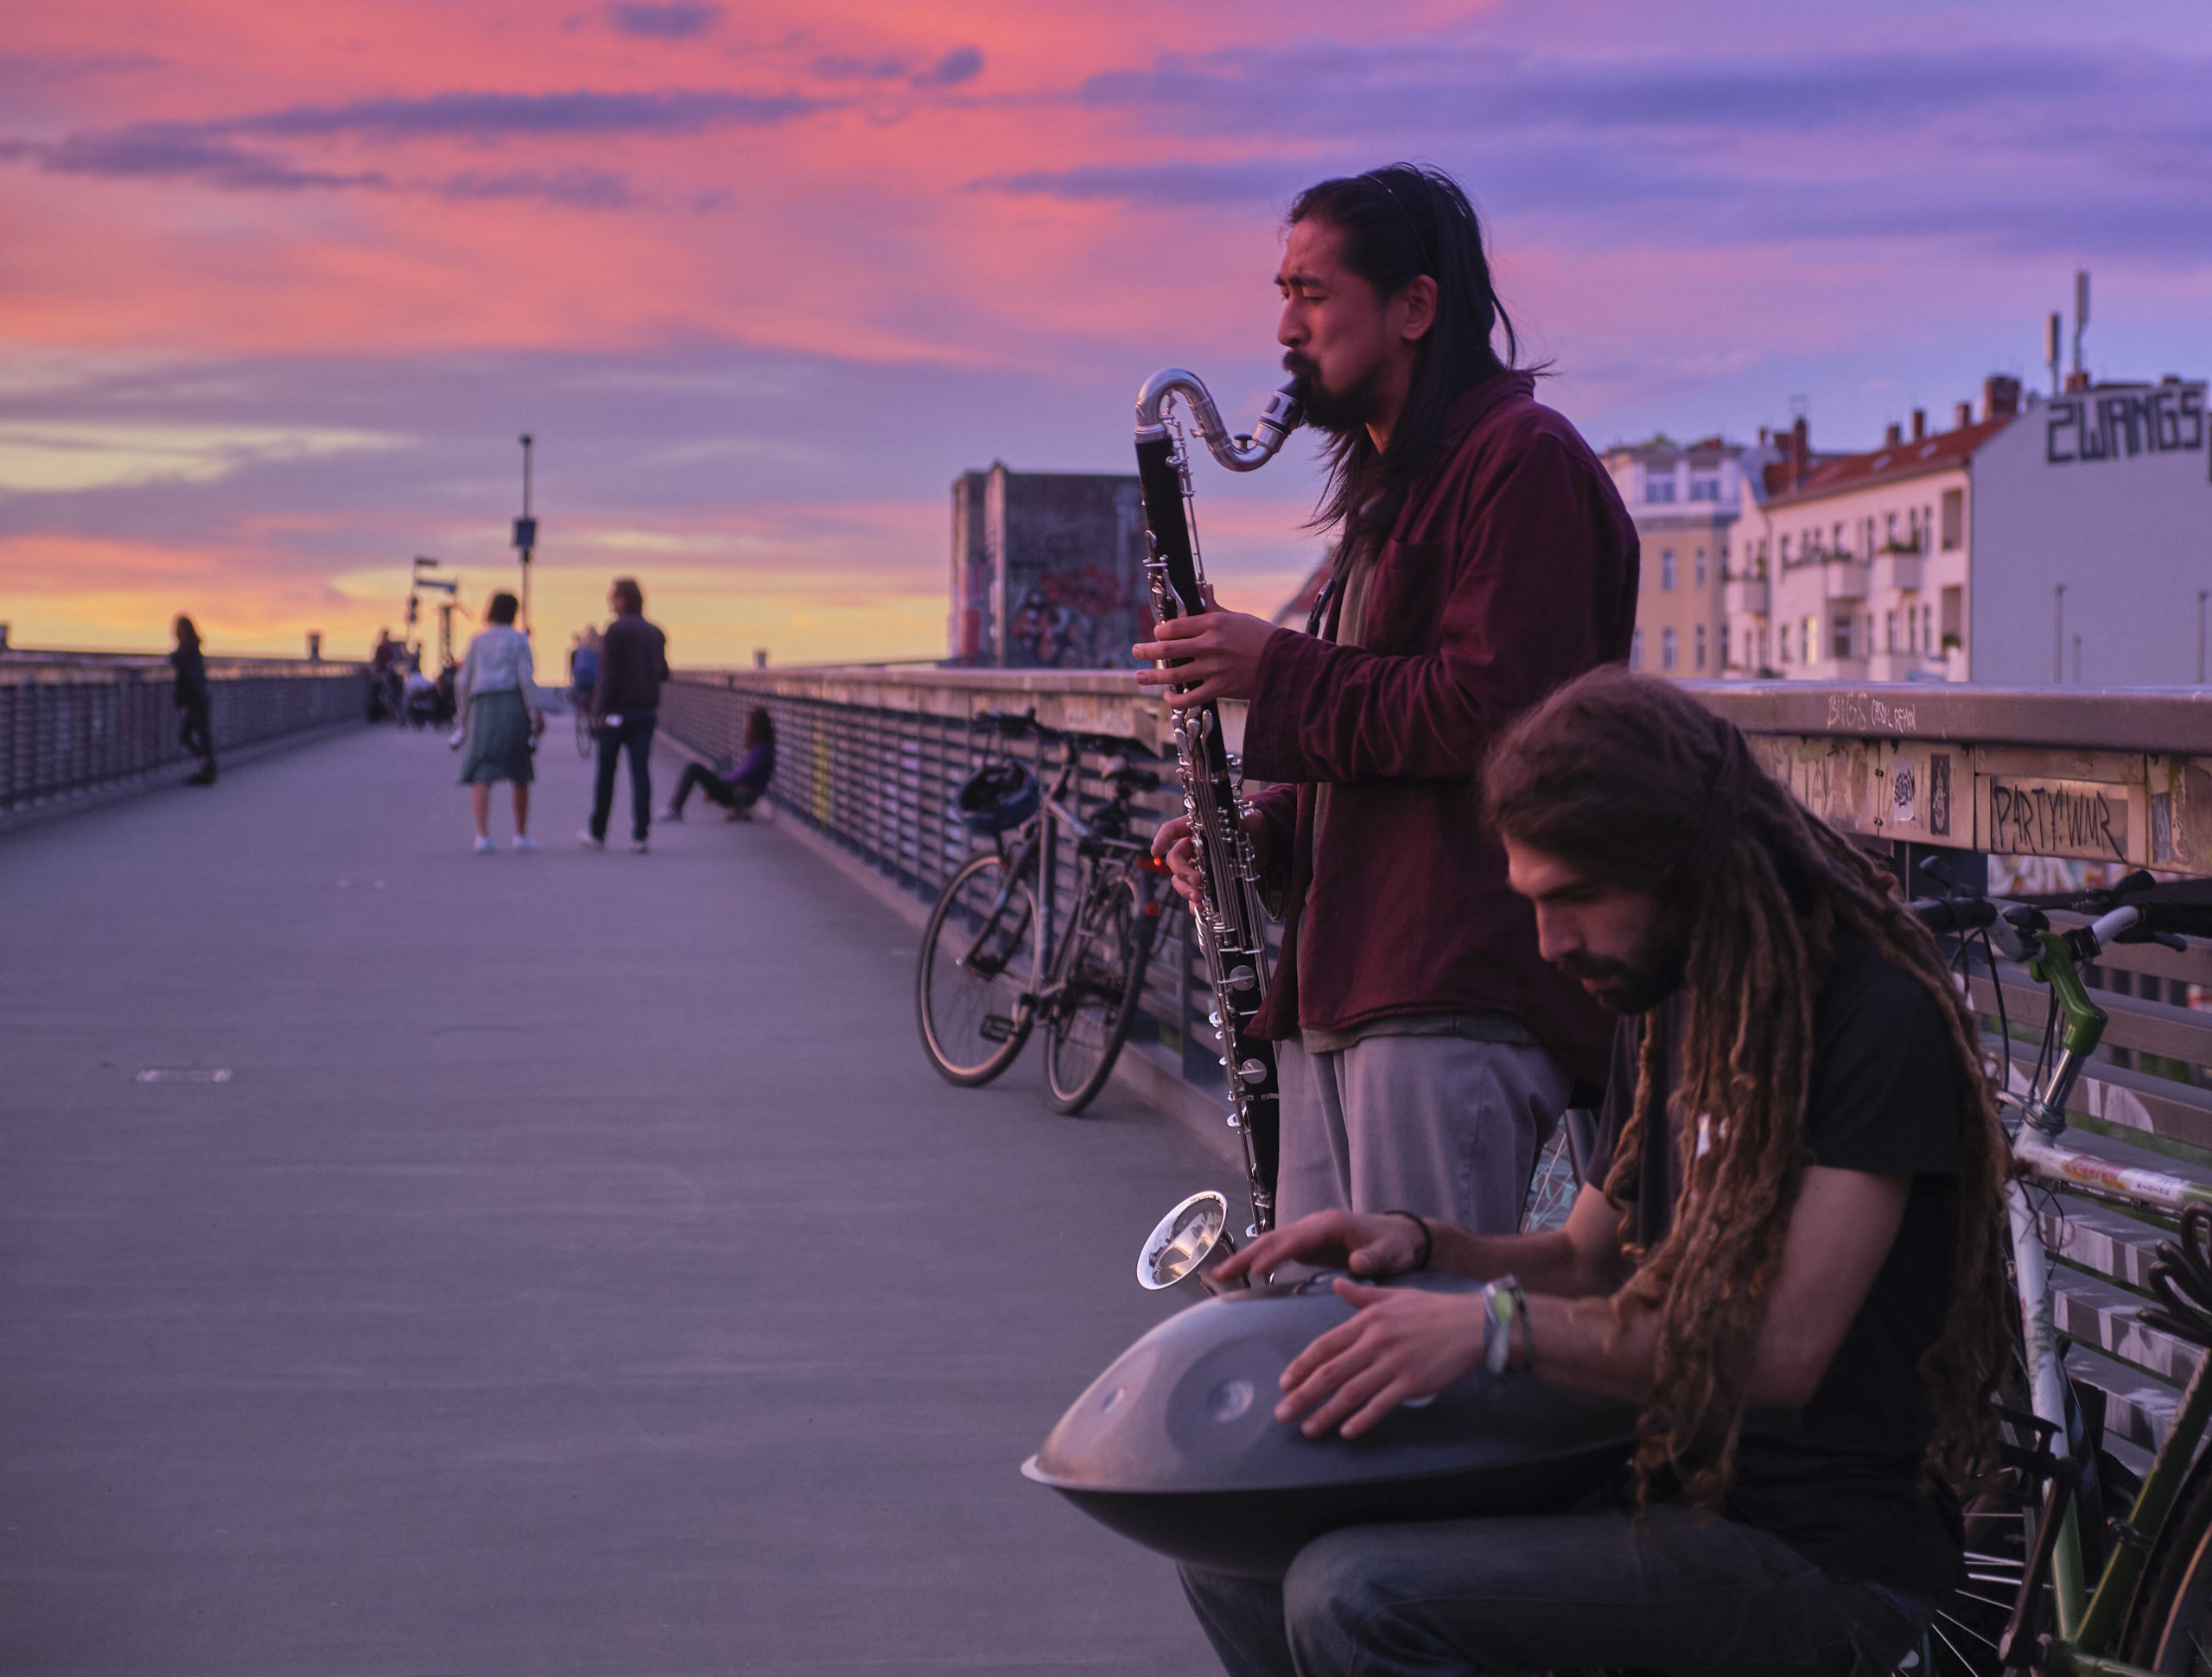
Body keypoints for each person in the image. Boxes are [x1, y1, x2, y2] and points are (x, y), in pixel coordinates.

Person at [1177, 667, 2012, 1677]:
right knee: (1233, 1550)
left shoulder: (1873, 1018)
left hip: (1815, 1553)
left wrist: (1493, 1329)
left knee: (1355, 1599)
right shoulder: (1665, 996)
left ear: (1683, 861)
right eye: (1530, 901)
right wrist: (1422, 1243)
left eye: (1574, 899)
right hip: (1642, 1475)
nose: (1548, 943)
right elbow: (1587, 1258)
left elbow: (1785, 1351)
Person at [1137, 164, 1638, 1236]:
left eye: (1312, 294)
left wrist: (1273, 672)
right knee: (1334, 1340)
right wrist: (1261, 837)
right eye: (1283, 292)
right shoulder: (1400, 488)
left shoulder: (1523, 463)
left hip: (1454, 986)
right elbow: (1384, 740)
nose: (1284, 327)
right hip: (1355, 983)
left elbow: (1499, 717)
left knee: (1428, 1352)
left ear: (1413, 308)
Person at [580, 576, 669, 854]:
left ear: (622, 600)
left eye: (613, 597)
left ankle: (598, 832)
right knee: (641, 773)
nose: (610, 602)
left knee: (606, 773)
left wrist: (597, 710)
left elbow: (607, 675)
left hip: (615, 714)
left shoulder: (615, 632)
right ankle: (640, 836)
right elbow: (664, 672)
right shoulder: (656, 632)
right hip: (645, 713)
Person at [454, 591, 543, 853]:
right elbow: (526, 678)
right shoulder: (519, 640)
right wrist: (534, 711)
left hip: (483, 706)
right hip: (513, 703)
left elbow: (462, 681)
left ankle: (482, 835)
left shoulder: (477, 641)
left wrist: (463, 714)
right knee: (520, 770)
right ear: (514, 612)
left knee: (482, 769)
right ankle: (521, 834)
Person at [667, 707, 774, 822]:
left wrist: (719, 782)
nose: (745, 728)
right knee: (715, 769)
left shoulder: (761, 751)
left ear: (756, 727)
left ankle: (675, 809)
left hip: (739, 796)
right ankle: (676, 807)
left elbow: (743, 774)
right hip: (742, 794)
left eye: (747, 724)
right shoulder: (762, 749)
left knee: (694, 768)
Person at [170, 614, 217, 785]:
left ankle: (207, 767)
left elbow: (176, 659)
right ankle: (207, 766)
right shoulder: (193, 649)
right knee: (197, 735)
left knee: (192, 736)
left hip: (197, 698)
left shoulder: (187, 650)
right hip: (198, 698)